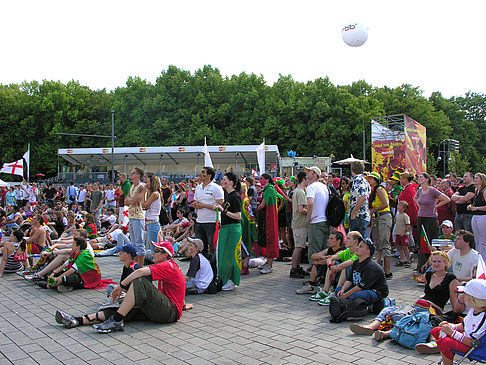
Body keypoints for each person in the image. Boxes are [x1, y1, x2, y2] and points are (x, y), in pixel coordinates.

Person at [55, 241, 185, 333]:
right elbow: (177, 291)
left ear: (165, 255)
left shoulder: (169, 265)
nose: (153, 253)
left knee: (138, 281)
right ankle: (77, 320)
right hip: (165, 311)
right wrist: (183, 305)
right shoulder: (168, 267)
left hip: (169, 312)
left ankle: (116, 321)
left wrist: (120, 287)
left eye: (157, 250)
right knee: (121, 309)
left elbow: (140, 273)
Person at [349, 251, 462, 339]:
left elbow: (454, 303)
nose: (436, 264)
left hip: (432, 310)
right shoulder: (429, 275)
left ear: (446, 263)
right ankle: (371, 327)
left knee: (407, 317)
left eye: (439, 262)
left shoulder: (451, 278)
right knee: (388, 310)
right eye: (434, 261)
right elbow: (426, 294)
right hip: (419, 304)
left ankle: (387, 334)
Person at [420, 279, 486, 364]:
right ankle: (444, 351)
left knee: (445, 342)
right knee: (437, 330)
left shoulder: (483, 317)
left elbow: (472, 342)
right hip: (468, 341)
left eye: (464, 294)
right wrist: (451, 326)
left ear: (473, 299)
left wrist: (452, 333)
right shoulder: (474, 310)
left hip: (477, 348)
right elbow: (464, 325)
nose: (461, 296)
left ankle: (447, 361)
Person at [332, 238, 389, 307]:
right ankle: (348, 302)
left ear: (368, 251)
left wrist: (345, 295)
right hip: (360, 289)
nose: (357, 247)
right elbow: (350, 280)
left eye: (361, 246)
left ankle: (352, 304)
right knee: (338, 289)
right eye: (358, 245)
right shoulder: (356, 262)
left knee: (356, 295)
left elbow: (360, 287)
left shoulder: (371, 267)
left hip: (374, 291)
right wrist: (343, 290)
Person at [414, 172, 451, 270]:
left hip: (431, 218)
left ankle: (433, 263)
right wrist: (419, 206)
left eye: (421, 177)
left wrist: (436, 206)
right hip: (421, 217)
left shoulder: (432, 190)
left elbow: (446, 199)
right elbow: (415, 198)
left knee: (431, 240)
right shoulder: (420, 190)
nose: (419, 178)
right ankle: (421, 264)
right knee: (421, 241)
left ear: (427, 179)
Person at [215, 172, 242, 290]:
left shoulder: (235, 196)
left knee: (230, 255)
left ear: (231, 182)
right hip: (226, 228)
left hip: (232, 229)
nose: (222, 181)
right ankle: (224, 278)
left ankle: (231, 279)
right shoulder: (228, 195)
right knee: (224, 254)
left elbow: (238, 216)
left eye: (224, 179)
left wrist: (223, 211)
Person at [295, 231, 344, 296]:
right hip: (327, 270)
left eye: (332, 239)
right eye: (329, 238)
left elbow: (330, 260)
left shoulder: (342, 251)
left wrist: (318, 261)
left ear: (338, 241)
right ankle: (310, 285)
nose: (328, 240)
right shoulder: (329, 249)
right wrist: (322, 257)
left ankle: (330, 288)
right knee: (316, 264)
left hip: (337, 274)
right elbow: (313, 256)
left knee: (324, 263)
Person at [193, 167, 224, 258]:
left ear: (209, 176)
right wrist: (196, 205)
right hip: (199, 221)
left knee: (213, 248)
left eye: (203, 172)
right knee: (200, 248)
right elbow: (195, 202)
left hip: (212, 221)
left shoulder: (216, 188)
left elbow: (220, 205)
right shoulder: (198, 187)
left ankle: (214, 269)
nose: (200, 174)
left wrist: (204, 205)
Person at [366, 172, 393, 279]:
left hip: (384, 217)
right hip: (378, 218)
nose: (369, 180)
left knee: (385, 242)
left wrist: (374, 210)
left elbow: (385, 203)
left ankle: (388, 271)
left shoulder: (379, 189)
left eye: (371, 179)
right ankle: (381, 265)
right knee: (379, 242)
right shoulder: (374, 191)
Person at [304, 166, 330, 263]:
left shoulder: (311, 187)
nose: (306, 173)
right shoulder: (324, 187)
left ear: (315, 174)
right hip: (325, 221)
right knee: (324, 249)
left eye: (309, 171)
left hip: (316, 222)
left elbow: (310, 203)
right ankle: (322, 273)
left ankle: (314, 272)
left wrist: (308, 218)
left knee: (314, 251)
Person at [257, 173, 279, 274]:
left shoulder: (269, 189)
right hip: (266, 217)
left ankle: (269, 265)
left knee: (269, 239)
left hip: (268, 218)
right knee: (265, 239)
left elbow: (263, 205)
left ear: (267, 180)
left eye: (262, 179)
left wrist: (258, 207)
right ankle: (267, 262)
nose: (260, 180)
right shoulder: (268, 189)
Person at [124, 167, 146, 266]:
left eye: (133, 173)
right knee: (133, 242)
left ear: (138, 175)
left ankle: (140, 265)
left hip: (138, 216)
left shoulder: (141, 186)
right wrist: (130, 200)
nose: (131, 174)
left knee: (139, 242)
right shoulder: (133, 186)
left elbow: (133, 201)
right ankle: (134, 263)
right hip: (132, 215)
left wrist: (130, 200)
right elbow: (127, 200)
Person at [290, 171, 308, 278]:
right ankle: (294, 268)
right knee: (298, 247)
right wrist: (311, 212)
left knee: (300, 246)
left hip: (298, 223)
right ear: (304, 179)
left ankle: (297, 267)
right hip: (299, 223)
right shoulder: (300, 192)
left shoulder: (297, 191)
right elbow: (301, 209)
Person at [141, 173, 162, 261]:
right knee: (154, 245)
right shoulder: (153, 194)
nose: (146, 185)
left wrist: (143, 193)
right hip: (152, 222)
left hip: (153, 222)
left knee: (154, 247)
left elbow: (143, 205)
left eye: (148, 183)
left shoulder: (154, 194)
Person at [349, 161, 371, 238]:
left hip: (359, 216)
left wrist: (354, 212)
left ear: (352, 170)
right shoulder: (364, 180)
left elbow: (362, 197)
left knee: (357, 242)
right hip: (363, 216)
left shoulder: (358, 180)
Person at [239, 183, 257, 275]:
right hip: (243, 227)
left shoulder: (245, 201)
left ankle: (245, 267)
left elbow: (247, 217)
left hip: (245, 228)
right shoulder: (243, 200)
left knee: (245, 247)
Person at [468, 173, 486, 259]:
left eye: (477, 178)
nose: (474, 180)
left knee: (483, 240)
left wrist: (477, 208)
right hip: (475, 216)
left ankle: (483, 259)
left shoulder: (484, 191)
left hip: (483, 216)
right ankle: (478, 257)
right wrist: (471, 206)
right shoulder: (476, 191)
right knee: (477, 239)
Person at [394, 201, 411, 267]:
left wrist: (404, 232)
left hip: (404, 234)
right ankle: (401, 260)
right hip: (398, 233)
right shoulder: (397, 215)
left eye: (400, 206)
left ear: (404, 208)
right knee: (400, 247)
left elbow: (408, 225)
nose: (399, 207)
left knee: (405, 247)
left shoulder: (405, 216)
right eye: (398, 205)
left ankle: (408, 260)